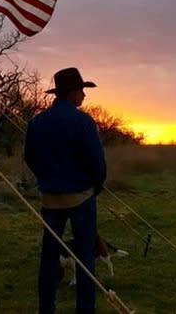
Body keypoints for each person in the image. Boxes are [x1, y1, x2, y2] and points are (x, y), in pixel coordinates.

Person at [23, 67, 107, 314]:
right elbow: (97, 162)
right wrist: (96, 186)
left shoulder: (37, 122)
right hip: (81, 197)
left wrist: (46, 179)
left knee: (48, 258)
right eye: (82, 90)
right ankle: (85, 310)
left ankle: (46, 309)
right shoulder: (82, 122)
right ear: (71, 93)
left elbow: (30, 157)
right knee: (85, 257)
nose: (84, 95)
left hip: (50, 198)